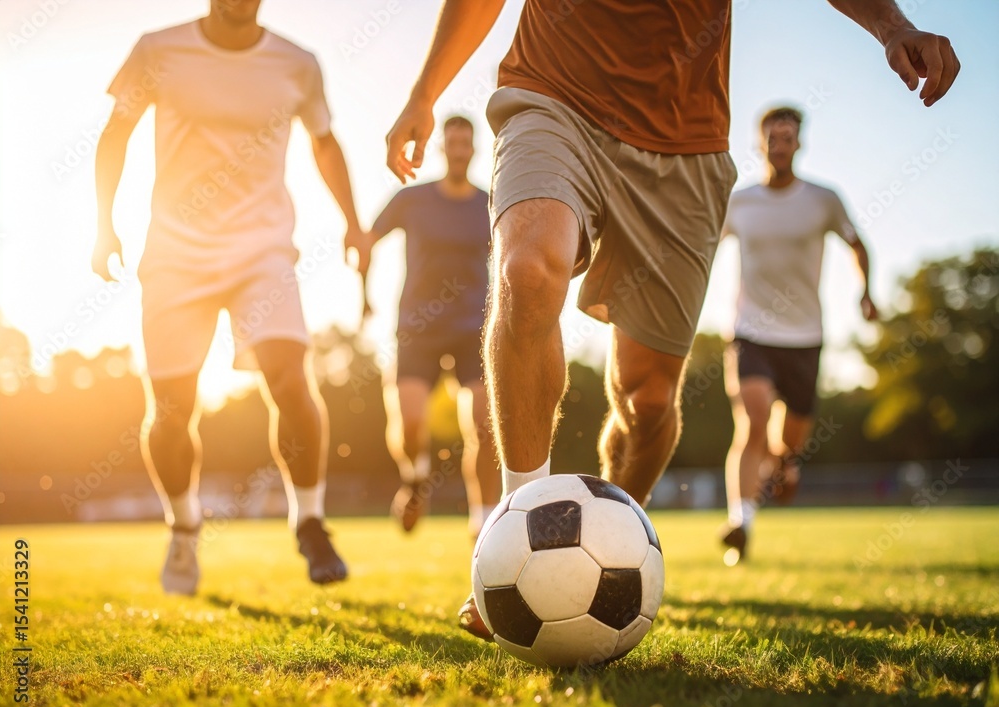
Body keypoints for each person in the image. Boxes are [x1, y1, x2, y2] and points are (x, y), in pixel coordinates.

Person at [383, 0, 959, 639]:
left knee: (648, 402)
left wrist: (894, 26)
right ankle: (513, 536)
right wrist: (423, 90)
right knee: (526, 270)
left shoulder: (819, 200)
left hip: (684, 143)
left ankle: (609, 540)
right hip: (555, 94)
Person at [91, 0, 364, 594]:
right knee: (170, 410)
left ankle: (311, 521)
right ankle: (185, 526)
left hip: (261, 251)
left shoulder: (298, 63)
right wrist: (103, 223)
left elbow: (325, 143)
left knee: (290, 378)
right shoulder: (157, 49)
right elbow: (117, 130)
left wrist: (353, 223)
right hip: (174, 252)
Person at [719, 106, 879, 564]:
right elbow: (704, 245)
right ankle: (741, 522)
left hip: (805, 337)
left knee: (788, 446)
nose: (779, 145)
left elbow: (856, 243)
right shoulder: (740, 201)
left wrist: (866, 292)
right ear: (760, 143)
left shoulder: (823, 199)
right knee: (751, 423)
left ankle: (784, 465)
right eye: (772, 138)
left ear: (798, 144)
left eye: (787, 138)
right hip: (750, 332)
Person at [360, 116, 501, 538]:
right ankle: (416, 477)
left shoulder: (490, 203)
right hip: (418, 325)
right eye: (452, 143)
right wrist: (362, 295)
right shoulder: (412, 199)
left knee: (483, 422)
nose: (459, 150)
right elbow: (368, 240)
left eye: (466, 143)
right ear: (442, 148)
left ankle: (484, 520)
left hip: (474, 324)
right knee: (412, 421)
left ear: (474, 150)